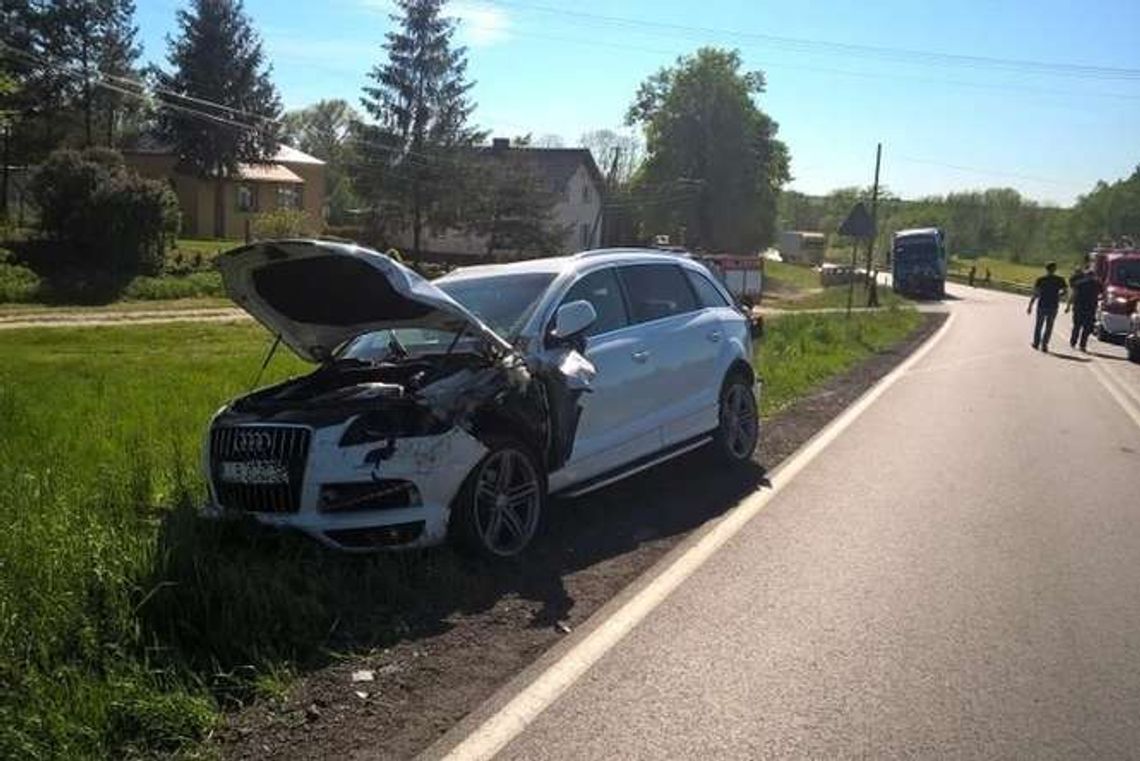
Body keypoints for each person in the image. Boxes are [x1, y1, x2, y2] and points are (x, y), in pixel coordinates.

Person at [1026, 262, 1067, 352]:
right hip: (1053, 305)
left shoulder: (1041, 279)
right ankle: (1045, 344)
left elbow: (1036, 293)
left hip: (1042, 304)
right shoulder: (1060, 280)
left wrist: (1030, 305)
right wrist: (1058, 295)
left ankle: (1036, 343)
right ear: (1055, 269)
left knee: (1039, 325)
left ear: (1046, 269)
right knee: (1049, 326)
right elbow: (1065, 291)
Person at [1066, 264, 1101, 351]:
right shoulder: (1097, 284)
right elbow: (1101, 295)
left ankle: (1073, 342)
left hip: (1079, 307)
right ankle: (1083, 345)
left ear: (1086, 275)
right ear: (1093, 276)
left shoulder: (1079, 283)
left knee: (1076, 326)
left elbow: (1074, 294)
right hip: (1090, 309)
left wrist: (1068, 305)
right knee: (1087, 328)